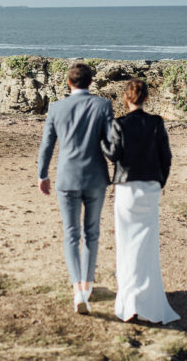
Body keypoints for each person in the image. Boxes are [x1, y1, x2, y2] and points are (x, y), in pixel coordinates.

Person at [101, 78, 180, 324]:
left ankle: (130, 304)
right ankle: (150, 303)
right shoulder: (156, 123)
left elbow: (113, 155)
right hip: (150, 188)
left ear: (126, 98)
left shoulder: (119, 124)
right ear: (146, 98)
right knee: (147, 246)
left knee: (126, 245)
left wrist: (100, 139)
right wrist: (160, 182)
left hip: (127, 188)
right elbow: (165, 157)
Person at [37, 62, 114, 314]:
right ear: (91, 82)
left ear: (69, 83)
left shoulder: (56, 107)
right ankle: (87, 284)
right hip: (95, 177)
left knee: (71, 234)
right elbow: (111, 143)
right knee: (92, 232)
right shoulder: (103, 105)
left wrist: (42, 174)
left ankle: (76, 290)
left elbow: (47, 145)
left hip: (67, 178)